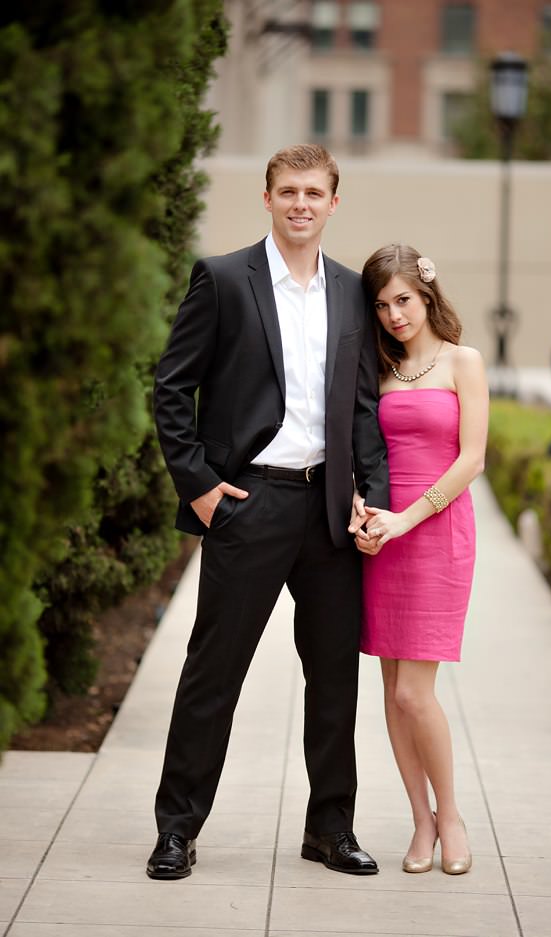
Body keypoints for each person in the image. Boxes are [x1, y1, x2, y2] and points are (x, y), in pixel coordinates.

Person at [148, 144, 389, 880]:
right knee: (212, 673)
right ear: (268, 197)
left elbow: (364, 406)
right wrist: (200, 486)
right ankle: (177, 829)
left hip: (328, 510)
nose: (301, 204)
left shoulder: (353, 292)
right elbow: (170, 386)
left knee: (334, 677)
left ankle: (331, 828)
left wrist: (370, 498)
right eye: (288, 191)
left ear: (334, 203)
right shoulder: (222, 279)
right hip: (249, 502)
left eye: (315, 192)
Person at [352, 244, 487, 876]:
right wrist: (364, 512)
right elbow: (359, 451)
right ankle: (421, 822)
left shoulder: (464, 362)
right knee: (390, 688)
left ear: (427, 295)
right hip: (383, 537)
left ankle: (453, 814)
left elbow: (472, 460)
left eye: (403, 300)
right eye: (381, 305)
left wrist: (409, 517)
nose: (394, 315)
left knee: (415, 692)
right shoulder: (375, 368)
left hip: (437, 532)